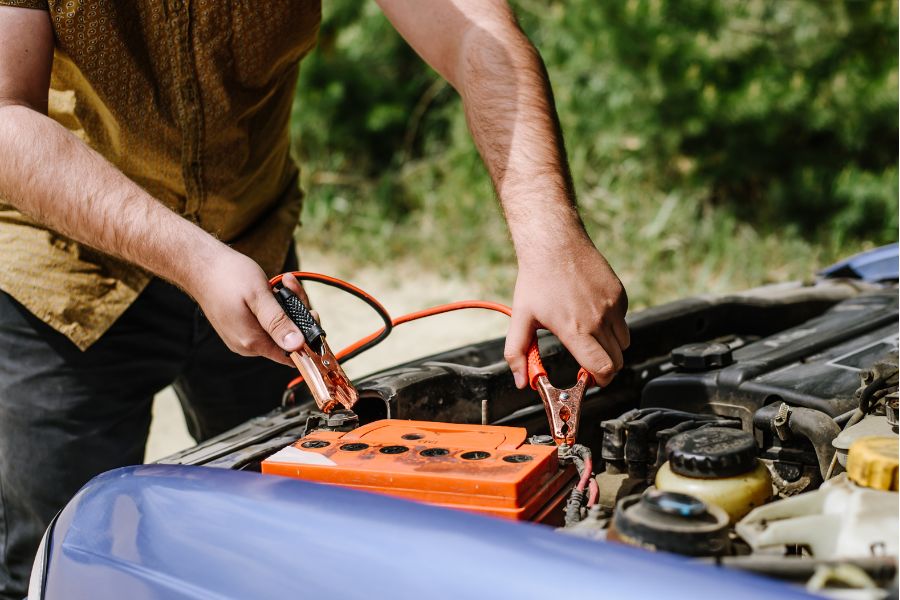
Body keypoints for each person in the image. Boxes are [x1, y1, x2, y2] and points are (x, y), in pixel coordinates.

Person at [0, 1, 629, 596]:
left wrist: (552, 237)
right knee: (56, 558)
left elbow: (472, 28)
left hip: (255, 261)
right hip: (63, 282)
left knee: (281, 543)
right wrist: (194, 259)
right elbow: (5, 114)